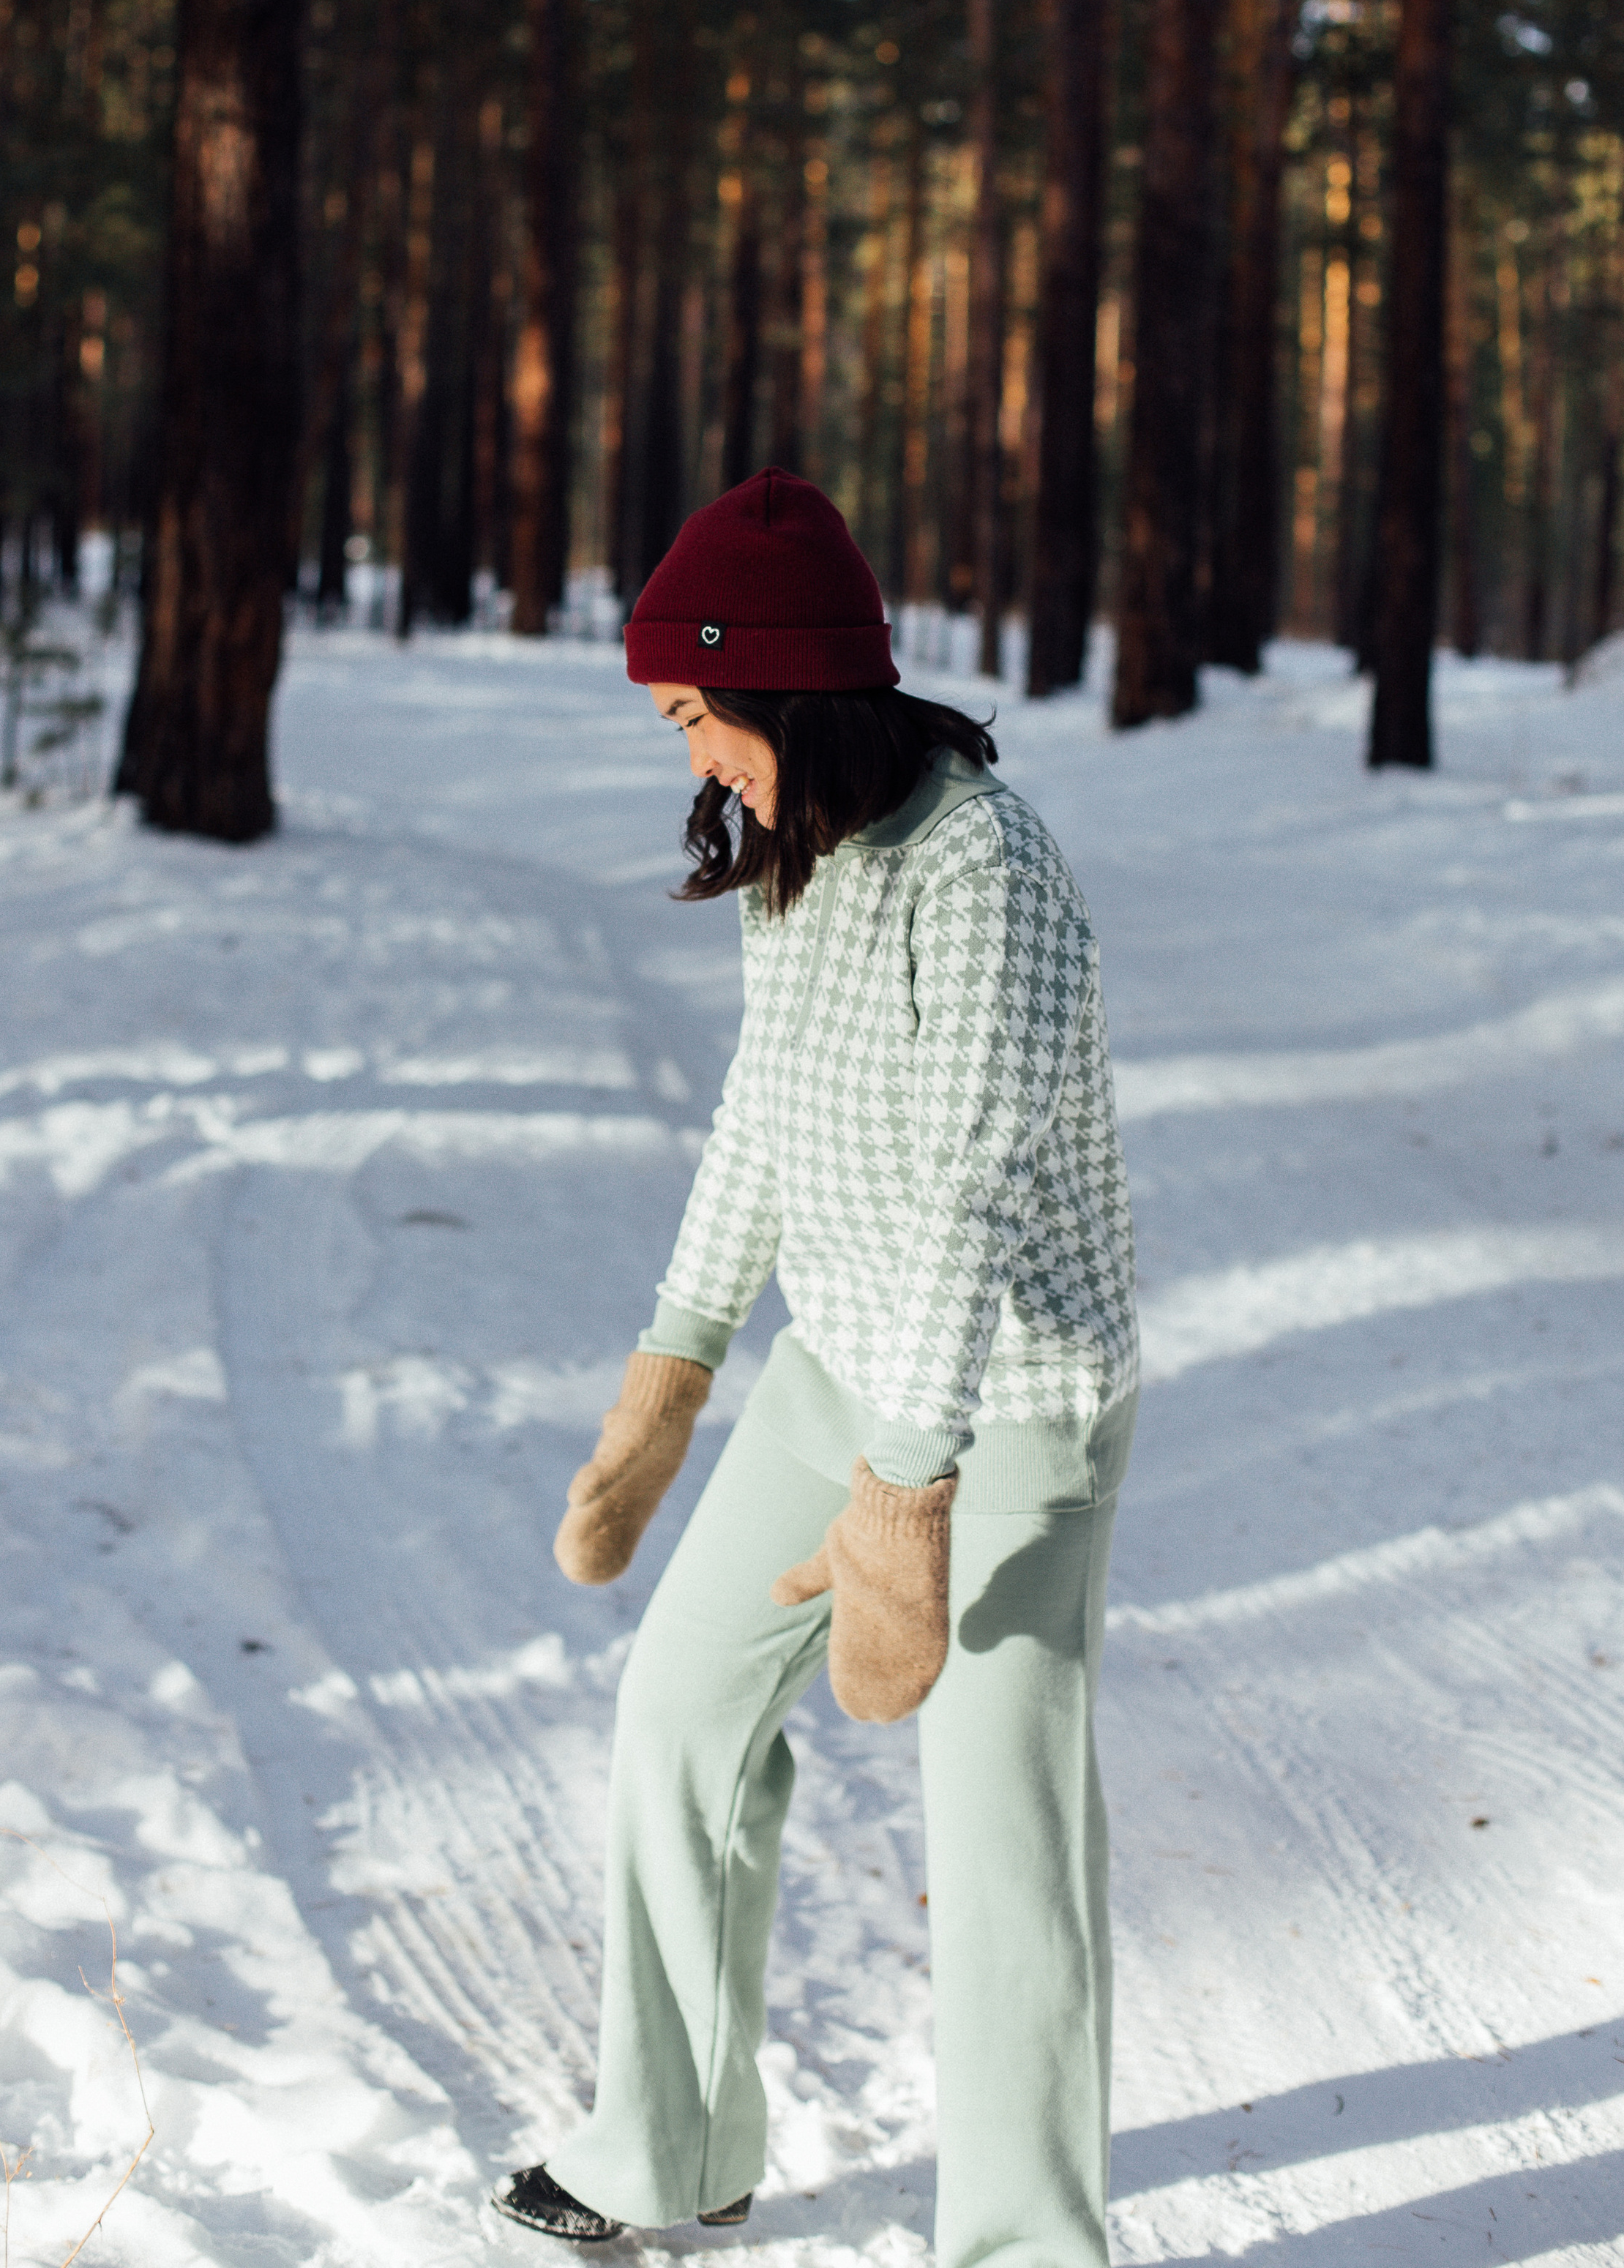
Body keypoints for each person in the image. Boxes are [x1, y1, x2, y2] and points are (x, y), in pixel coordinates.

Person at [493, 468, 1140, 2268]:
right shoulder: (807, 849)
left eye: (693, 716)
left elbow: (972, 1197)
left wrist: (910, 1490)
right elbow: (761, 1127)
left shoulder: (985, 871)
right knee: (677, 1722)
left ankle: (1023, 2247)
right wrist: (670, 1370)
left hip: (1001, 1411)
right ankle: (671, 2145)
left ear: (785, 686)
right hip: (834, 1372)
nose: (687, 759)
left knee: (999, 1832)